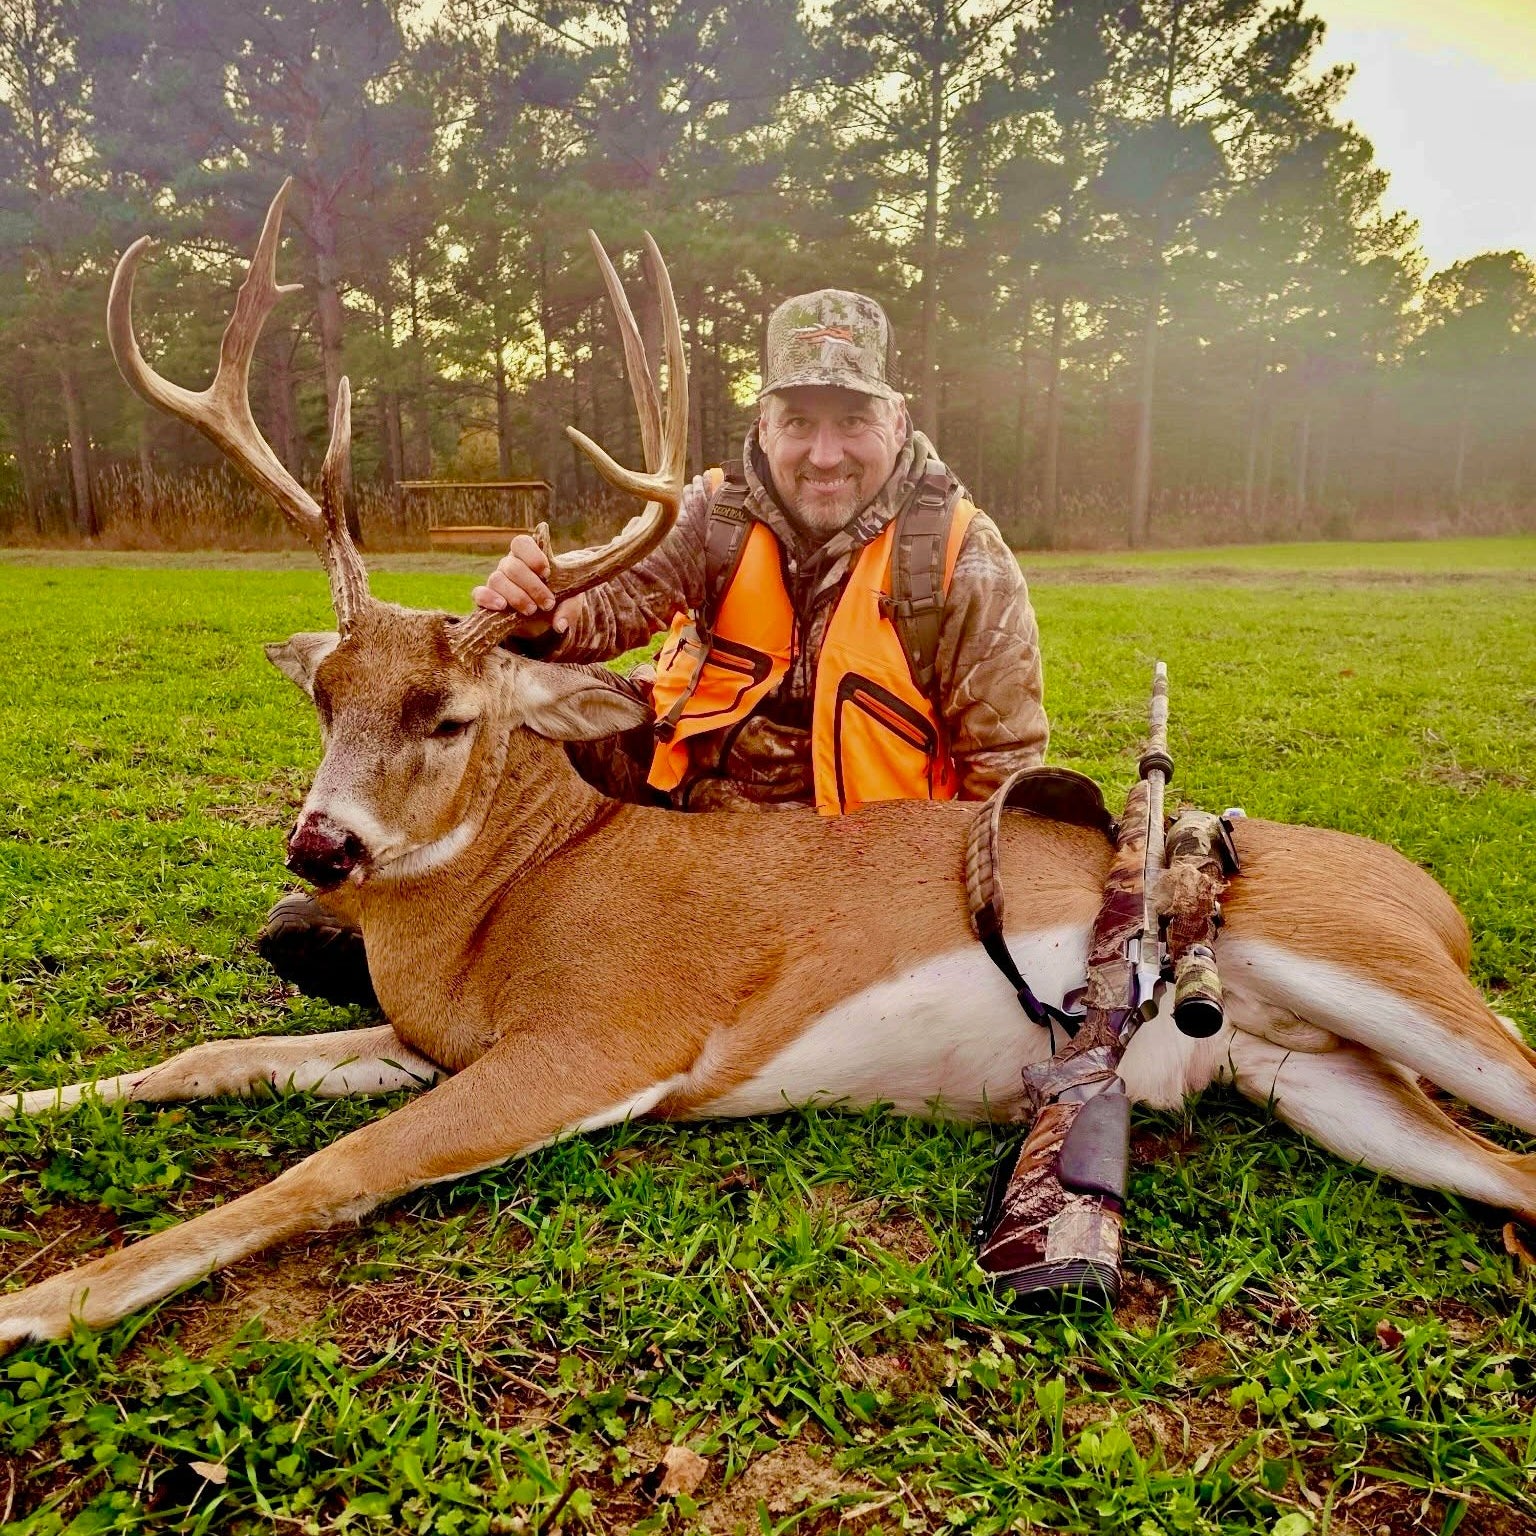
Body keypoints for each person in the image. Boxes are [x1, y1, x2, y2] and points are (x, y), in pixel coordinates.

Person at [259, 289, 1048, 1000]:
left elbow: (1006, 765)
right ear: (764, 425)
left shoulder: (962, 561)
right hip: (679, 802)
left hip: (847, 857)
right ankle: (422, 914)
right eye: (799, 422)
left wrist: (961, 914)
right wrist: (542, 615)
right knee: (499, 709)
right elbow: (612, 605)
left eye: (852, 421)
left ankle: (515, 970)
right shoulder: (715, 513)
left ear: (897, 422)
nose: (824, 453)